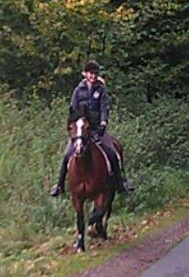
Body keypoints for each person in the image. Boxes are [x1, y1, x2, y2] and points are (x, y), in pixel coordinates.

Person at [50, 60, 134, 197]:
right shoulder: (78, 91)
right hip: (81, 130)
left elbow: (104, 109)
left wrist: (103, 123)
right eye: (91, 73)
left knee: (112, 153)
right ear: (85, 74)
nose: (93, 76)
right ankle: (59, 186)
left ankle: (121, 183)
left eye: (95, 74)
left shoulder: (101, 91)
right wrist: (73, 125)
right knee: (66, 155)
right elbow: (72, 109)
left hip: (96, 129)